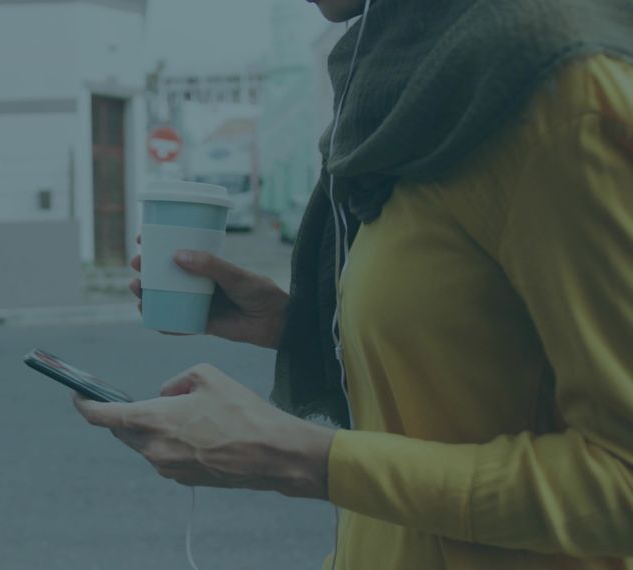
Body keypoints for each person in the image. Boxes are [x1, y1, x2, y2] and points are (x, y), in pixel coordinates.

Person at [72, 0, 633, 568]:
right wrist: (302, 330)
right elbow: (471, 371)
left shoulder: (561, 95)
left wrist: (297, 457)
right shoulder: (404, 70)